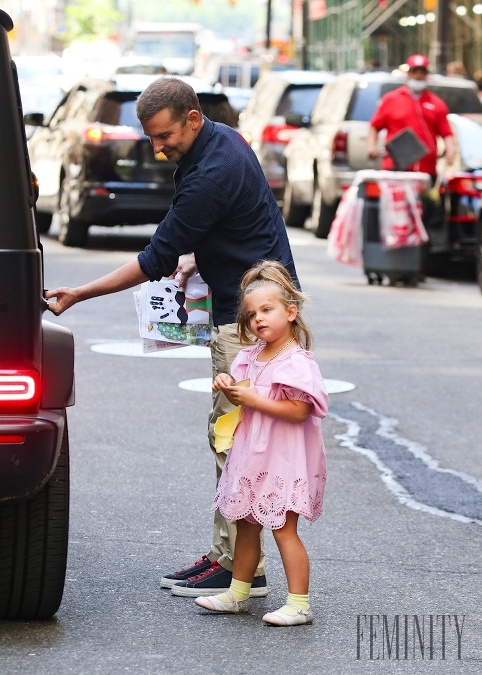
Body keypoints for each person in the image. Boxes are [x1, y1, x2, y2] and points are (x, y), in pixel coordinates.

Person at [45, 76, 300, 598]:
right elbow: (216, 229)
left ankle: (238, 570)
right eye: (151, 140)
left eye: (165, 137)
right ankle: (227, 556)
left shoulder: (215, 167)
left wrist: (78, 294)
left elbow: (155, 257)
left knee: (237, 444)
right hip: (249, 303)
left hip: (249, 321)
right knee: (231, 438)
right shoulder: (221, 138)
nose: (159, 150)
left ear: (192, 117)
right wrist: (194, 258)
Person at [194, 260, 327, 626]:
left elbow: (300, 410)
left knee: (284, 528)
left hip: (283, 457)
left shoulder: (296, 361)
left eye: (267, 310)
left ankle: (299, 603)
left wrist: (252, 400)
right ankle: (239, 592)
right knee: (247, 524)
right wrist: (227, 383)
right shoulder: (250, 355)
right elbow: (243, 395)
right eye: (252, 314)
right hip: (252, 452)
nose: (258, 320)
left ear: (290, 311)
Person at [367, 54, 455, 175]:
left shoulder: (437, 103)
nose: (418, 76)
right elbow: (374, 126)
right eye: (414, 72)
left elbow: (446, 133)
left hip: (426, 169)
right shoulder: (391, 99)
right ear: (408, 73)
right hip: (395, 167)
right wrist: (371, 146)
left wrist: (450, 151)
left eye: (422, 72)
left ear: (426, 74)